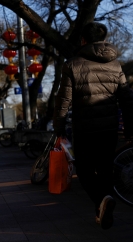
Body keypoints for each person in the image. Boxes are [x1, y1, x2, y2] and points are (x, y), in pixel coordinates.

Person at [53, 22, 133, 230]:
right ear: (103, 40)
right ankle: (102, 209)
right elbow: (127, 99)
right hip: (109, 128)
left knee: (85, 171)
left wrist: (59, 126)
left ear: (82, 40)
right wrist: (130, 127)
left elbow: (63, 100)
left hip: (85, 129)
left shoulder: (72, 65)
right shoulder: (116, 66)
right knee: (105, 169)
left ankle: (102, 200)